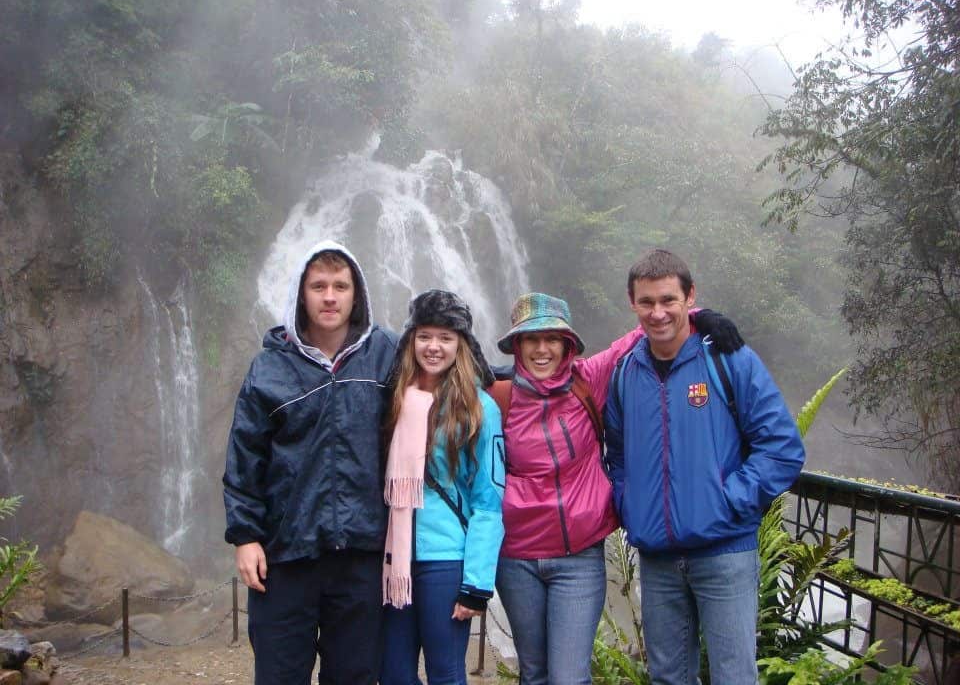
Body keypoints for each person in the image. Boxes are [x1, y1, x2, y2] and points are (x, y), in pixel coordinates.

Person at [492, 292, 744, 685]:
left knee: (568, 677)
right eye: (530, 339)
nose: (542, 349)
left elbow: (643, 329)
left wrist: (699, 316)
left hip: (578, 555)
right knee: (534, 673)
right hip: (516, 556)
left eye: (552, 339)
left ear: (567, 345)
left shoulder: (589, 379)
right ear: (517, 345)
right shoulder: (499, 396)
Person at [605, 249, 805, 685]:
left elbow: (783, 448)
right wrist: (629, 503)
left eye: (668, 300)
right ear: (632, 303)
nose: (658, 313)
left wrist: (729, 500)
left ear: (689, 297)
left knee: (733, 676)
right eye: (647, 302)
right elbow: (616, 455)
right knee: (668, 677)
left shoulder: (729, 360)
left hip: (724, 551)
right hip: (657, 556)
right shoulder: (625, 374)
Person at [222, 240, 397, 685]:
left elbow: (448, 369)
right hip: (285, 557)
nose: (330, 296)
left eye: (341, 285)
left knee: (354, 677)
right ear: (302, 293)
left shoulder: (386, 355)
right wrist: (245, 537)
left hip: (361, 554)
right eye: (319, 285)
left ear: (357, 294)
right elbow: (246, 457)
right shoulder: (268, 368)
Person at [380, 289, 505, 685]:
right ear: (410, 340)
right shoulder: (392, 399)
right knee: (393, 674)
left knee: (446, 673)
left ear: (461, 345)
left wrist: (477, 584)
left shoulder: (480, 408)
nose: (433, 347)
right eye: (424, 336)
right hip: (393, 561)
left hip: (446, 560)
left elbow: (489, 499)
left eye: (446, 338)